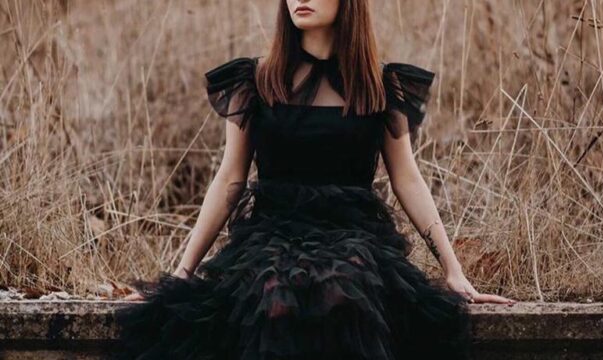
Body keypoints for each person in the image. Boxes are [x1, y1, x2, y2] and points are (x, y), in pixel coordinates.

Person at [114, 0, 516, 359]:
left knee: (344, 291)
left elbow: (408, 180)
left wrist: (454, 270)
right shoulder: (254, 82)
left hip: (353, 235)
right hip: (272, 235)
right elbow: (229, 180)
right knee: (274, 298)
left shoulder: (380, 86)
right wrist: (181, 274)